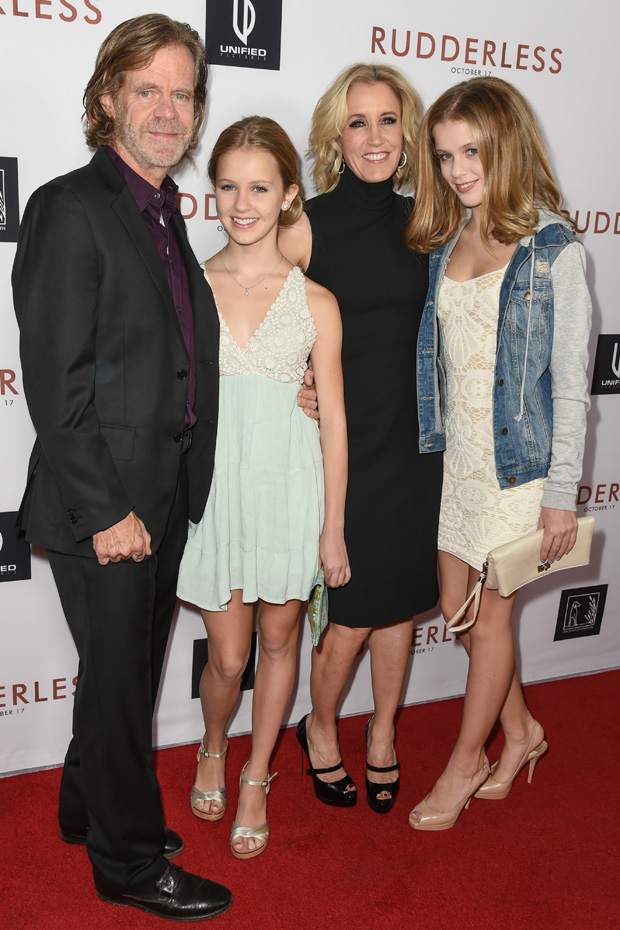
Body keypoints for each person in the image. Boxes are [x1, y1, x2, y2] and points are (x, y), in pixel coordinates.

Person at [11, 14, 236, 920]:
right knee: (118, 684)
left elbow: (170, 354)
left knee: (126, 673)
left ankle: (84, 806)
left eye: (183, 93)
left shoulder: (162, 210)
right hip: (101, 504)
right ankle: (129, 863)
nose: (168, 110)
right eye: (148, 90)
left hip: (163, 495)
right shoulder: (71, 207)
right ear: (108, 99)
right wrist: (107, 510)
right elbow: (56, 380)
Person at [406, 76, 591, 830]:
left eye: (471, 152)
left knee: (488, 621)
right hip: (458, 462)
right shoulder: (446, 240)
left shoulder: (555, 251)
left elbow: (572, 387)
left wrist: (560, 495)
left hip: (520, 468)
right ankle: (521, 732)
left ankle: (465, 763)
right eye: (445, 155)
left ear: (506, 145)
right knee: (459, 611)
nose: (457, 170)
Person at [176, 116, 349, 858]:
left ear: (288, 195)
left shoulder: (317, 302)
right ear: (212, 193)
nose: (241, 204)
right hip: (215, 495)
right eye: (227, 187)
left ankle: (256, 775)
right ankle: (213, 743)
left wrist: (333, 529)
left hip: (290, 491)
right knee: (227, 658)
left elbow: (334, 423)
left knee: (279, 643)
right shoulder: (186, 285)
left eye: (258, 187)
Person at [280, 64, 443, 813]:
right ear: (335, 137)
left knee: (399, 607)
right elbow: (251, 316)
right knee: (348, 616)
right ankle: (319, 728)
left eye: (387, 120)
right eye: (357, 122)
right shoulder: (304, 223)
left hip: (415, 445)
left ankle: (381, 734)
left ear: (407, 132)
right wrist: (294, 382)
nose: (374, 137)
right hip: (343, 446)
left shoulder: (428, 221)